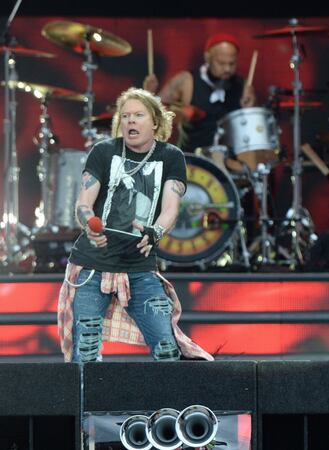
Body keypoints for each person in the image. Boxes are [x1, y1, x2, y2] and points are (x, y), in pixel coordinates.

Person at [56, 87, 212, 363]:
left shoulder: (170, 156)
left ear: (155, 122)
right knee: (86, 353)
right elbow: (83, 204)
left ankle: (167, 394)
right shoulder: (104, 151)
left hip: (139, 269)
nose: (130, 120)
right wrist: (90, 225)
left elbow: (170, 209)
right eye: (125, 115)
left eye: (138, 115)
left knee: (167, 349)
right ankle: (86, 393)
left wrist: (155, 232)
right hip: (92, 267)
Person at [143, 32, 255, 153]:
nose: (227, 69)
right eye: (221, 63)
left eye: (232, 63)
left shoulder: (243, 86)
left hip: (228, 158)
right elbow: (156, 113)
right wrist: (149, 94)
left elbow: (249, 129)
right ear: (207, 58)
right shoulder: (186, 81)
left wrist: (248, 110)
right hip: (191, 158)